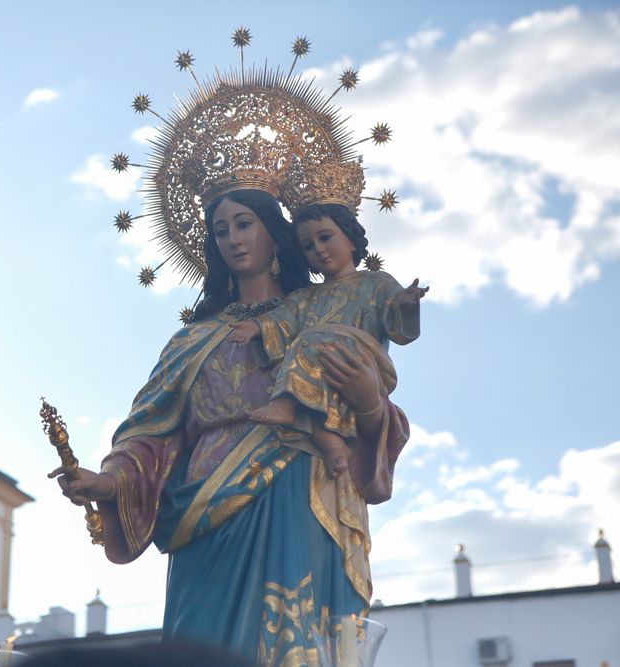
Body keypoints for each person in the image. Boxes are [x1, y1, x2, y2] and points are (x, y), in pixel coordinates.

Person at [50, 189, 409, 666]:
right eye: (221, 230)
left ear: (274, 235)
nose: (233, 240)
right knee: (202, 645)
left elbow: (364, 408)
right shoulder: (193, 339)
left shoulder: (318, 317)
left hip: (300, 488)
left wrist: (368, 404)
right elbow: (152, 430)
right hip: (206, 503)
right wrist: (110, 481)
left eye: (244, 224)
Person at [239, 203, 428, 479]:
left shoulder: (375, 283)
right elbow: (283, 318)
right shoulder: (306, 297)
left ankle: (285, 405)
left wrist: (407, 306)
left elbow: (399, 327)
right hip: (317, 370)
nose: (319, 249)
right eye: (309, 246)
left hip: (359, 362)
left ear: (351, 239)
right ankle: (333, 448)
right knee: (313, 402)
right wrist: (256, 326)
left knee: (310, 341)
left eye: (325, 237)